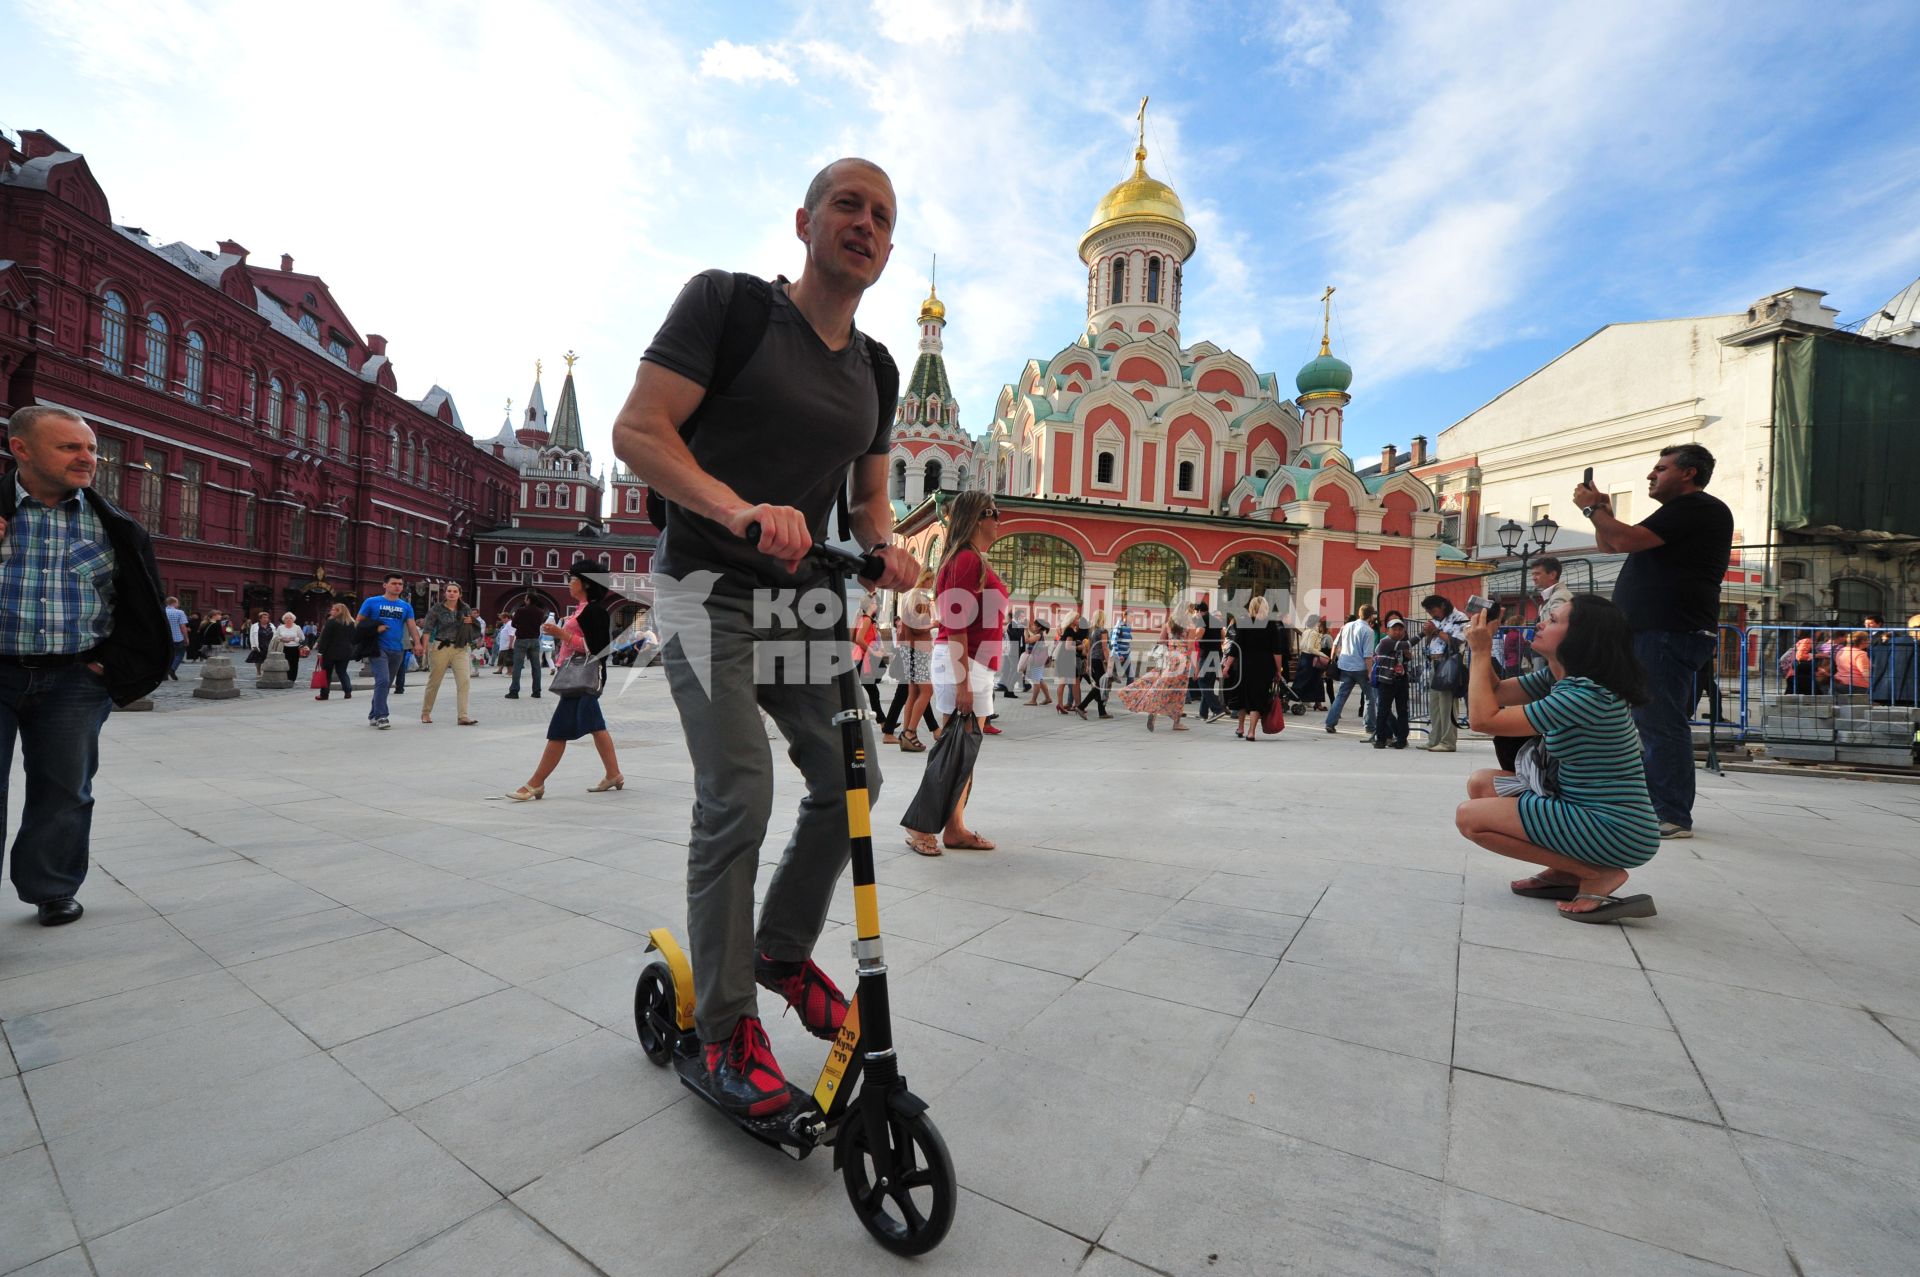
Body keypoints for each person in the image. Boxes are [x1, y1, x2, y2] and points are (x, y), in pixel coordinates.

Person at [610, 156, 919, 1119]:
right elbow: (640, 430)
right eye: (846, 205)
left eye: (881, 214)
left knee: (849, 781)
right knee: (740, 789)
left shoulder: (876, 367)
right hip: (706, 586)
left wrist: (885, 548)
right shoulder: (728, 306)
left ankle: (781, 947)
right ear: (803, 221)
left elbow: (868, 498)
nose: (863, 223)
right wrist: (740, 508)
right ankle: (724, 1025)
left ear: (889, 246)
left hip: (803, 602)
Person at [0, 406, 168, 925]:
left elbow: (141, 604)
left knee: (66, 790)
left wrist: (107, 667)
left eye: (91, 448)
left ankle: (51, 887)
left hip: (74, 679)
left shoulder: (113, 524)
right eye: (69, 447)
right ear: (21, 449)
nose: (87, 458)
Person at [1455, 594, 1662, 922]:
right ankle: (1566, 873)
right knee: (1482, 783)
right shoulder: (1559, 679)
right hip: (1584, 810)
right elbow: (1495, 693)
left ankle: (1595, 873)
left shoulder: (1586, 695)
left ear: (1580, 637)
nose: (1540, 623)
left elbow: (1483, 719)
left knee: (1471, 818)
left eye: (1553, 621)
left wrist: (1481, 650)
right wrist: (1481, 643)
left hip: (1617, 827)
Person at [1575, 443, 1732, 839]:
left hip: (1669, 629)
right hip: (1652, 630)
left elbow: (1624, 541)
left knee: (1659, 720)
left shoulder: (1699, 508)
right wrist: (1602, 515)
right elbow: (1609, 544)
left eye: (1660, 468)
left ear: (1689, 473)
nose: (1651, 475)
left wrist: (1594, 510)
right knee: (1646, 721)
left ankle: (1672, 813)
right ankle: (1651, 805)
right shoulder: (1674, 513)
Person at [905, 491, 1006, 855]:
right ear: (978, 517)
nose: (999, 520)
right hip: (964, 663)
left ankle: (955, 828)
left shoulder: (971, 559)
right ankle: (921, 827)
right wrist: (964, 682)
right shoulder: (965, 560)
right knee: (953, 750)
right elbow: (957, 624)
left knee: (963, 750)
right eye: (994, 513)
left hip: (974, 663)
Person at [502, 562, 625, 800]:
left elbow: (599, 648)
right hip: (577, 677)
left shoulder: (594, 611)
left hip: (584, 677)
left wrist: (562, 634)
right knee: (597, 727)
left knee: (558, 730)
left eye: (573, 579)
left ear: (586, 583)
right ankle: (614, 774)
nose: (569, 583)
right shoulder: (581, 609)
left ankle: (535, 783)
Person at [880, 568, 938, 750]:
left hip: (910, 649)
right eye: (932, 581)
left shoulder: (909, 596)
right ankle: (910, 732)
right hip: (917, 649)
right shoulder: (919, 598)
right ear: (927, 580)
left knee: (913, 692)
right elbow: (917, 627)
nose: (932, 585)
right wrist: (933, 624)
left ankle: (907, 733)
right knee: (926, 691)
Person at [356, 573, 419, 730]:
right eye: (394, 583)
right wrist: (375, 628)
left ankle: (373, 714)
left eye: (400, 584)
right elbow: (358, 623)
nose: (397, 586)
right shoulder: (372, 602)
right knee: (383, 681)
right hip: (378, 648)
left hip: (398, 649)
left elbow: (411, 626)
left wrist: (417, 643)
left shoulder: (406, 606)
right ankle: (382, 716)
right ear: (385, 585)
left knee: (385, 684)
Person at [420, 583, 481, 726]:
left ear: (460, 594)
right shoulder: (436, 609)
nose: (452, 593)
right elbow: (427, 630)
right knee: (434, 681)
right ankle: (425, 713)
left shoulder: (465, 608)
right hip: (441, 646)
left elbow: (472, 626)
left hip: (460, 647)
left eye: (455, 591)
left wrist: (470, 621)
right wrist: (424, 649)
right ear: (444, 593)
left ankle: (463, 716)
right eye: (449, 591)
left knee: (464, 681)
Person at [1119, 614, 1193, 731]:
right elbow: (1190, 647)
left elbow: (1161, 641)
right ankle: (1176, 723)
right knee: (1179, 692)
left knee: (1161, 685)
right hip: (1183, 660)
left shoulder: (1168, 624)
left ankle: (1153, 709)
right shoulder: (1190, 626)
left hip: (1170, 658)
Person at [1226, 596, 1285, 741]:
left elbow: (1235, 647)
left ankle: (1240, 727)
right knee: (1257, 697)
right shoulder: (1271, 625)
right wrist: (1279, 670)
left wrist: (1227, 666)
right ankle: (1251, 732)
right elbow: (1276, 651)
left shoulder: (1243, 622)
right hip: (1264, 667)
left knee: (1242, 695)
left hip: (1244, 665)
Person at [1420, 594, 1468, 752]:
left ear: (1443, 605)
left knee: (1447, 705)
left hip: (1449, 664)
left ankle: (1448, 742)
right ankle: (1434, 739)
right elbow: (1433, 642)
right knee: (1434, 705)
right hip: (1434, 664)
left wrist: (1436, 631)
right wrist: (1429, 634)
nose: (1432, 614)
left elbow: (1457, 642)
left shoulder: (1460, 617)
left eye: (1433, 610)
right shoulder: (1436, 621)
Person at [1324, 606, 1376, 733]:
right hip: (1361, 668)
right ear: (1371, 616)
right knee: (1370, 697)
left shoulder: (1346, 626)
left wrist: (1332, 661)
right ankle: (1369, 726)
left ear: (1359, 614)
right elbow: (1367, 655)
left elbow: (1335, 644)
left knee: (1341, 696)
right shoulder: (1368, 631)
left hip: (1345, 666)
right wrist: (1370, 672)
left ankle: (1330, 723)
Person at [1371, 615, 1414, 749]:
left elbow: (1402, 661)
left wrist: (1407, 657)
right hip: (1386, 681)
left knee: (1403, 711)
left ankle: (1401, 740)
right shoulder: (1386, 642)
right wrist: (1423, 633)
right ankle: (1381, 739)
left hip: (1401, 680)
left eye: (1401, 629)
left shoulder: (1401, 646)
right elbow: (1407, 644)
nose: (1398, 632)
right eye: (1394, 629)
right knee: (1383, 710)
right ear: (1388, 631)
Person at [506, 594, 547, 698]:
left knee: (517, 666)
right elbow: (539, 624)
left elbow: (513, 624)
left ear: (528, 600)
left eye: (525, 598)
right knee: (536, 667)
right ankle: (536, 692)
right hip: (534, 640)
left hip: (521, 640)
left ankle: (514, 691)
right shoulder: (540, 612)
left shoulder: (520, 611)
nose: (524, 600)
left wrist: (522, 626)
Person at [314, 601, 354, 700]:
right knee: (342, 672)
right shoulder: (351, 623)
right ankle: (348, 692)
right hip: (345, 652)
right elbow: (354, 638)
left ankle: (324, 694)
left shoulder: (331, 622)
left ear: (338, 611)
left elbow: (325, 638)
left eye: (332, 609)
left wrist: (320, 652)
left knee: (326, 674)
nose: (331, 611)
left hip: (330, 653)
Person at [1055, 607, 1089, 719]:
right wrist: (1080, 646)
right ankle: (1078, 706)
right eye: (1077, 619)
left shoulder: (1068, 629)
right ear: (1072, 620)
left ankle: (1061, 705)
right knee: (1073, 682)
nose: (1078, 621)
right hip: (1067, 658)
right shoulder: (1070, 630)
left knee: (1065, 681)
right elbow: (1068, 646)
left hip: (1064, 658)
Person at [1079, 609, 1113, 718]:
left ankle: (1102, 712)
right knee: (1099, 686)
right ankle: (1081, 706)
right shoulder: (1103, 631)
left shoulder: (1091, 631)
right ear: (1102, 618)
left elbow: (1088, 649)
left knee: (1100, 685)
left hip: (1093, 659)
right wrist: (1109, 662)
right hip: (1099, 660)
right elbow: (1105, 648)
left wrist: (1089, 664)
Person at [271, 611, 306, 684]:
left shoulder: (297, 627)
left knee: (294, 664)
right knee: (285, 663)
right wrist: (282, 639)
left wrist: (294, 639)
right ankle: (285, 677)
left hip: (295, 648)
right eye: (286, 618)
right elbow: (275, 637)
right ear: (284, 619)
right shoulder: (280, 627)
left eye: (290, 618)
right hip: (283, 648)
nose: (289, 619)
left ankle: (292, 679)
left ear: (293, 619)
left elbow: (302, 638)